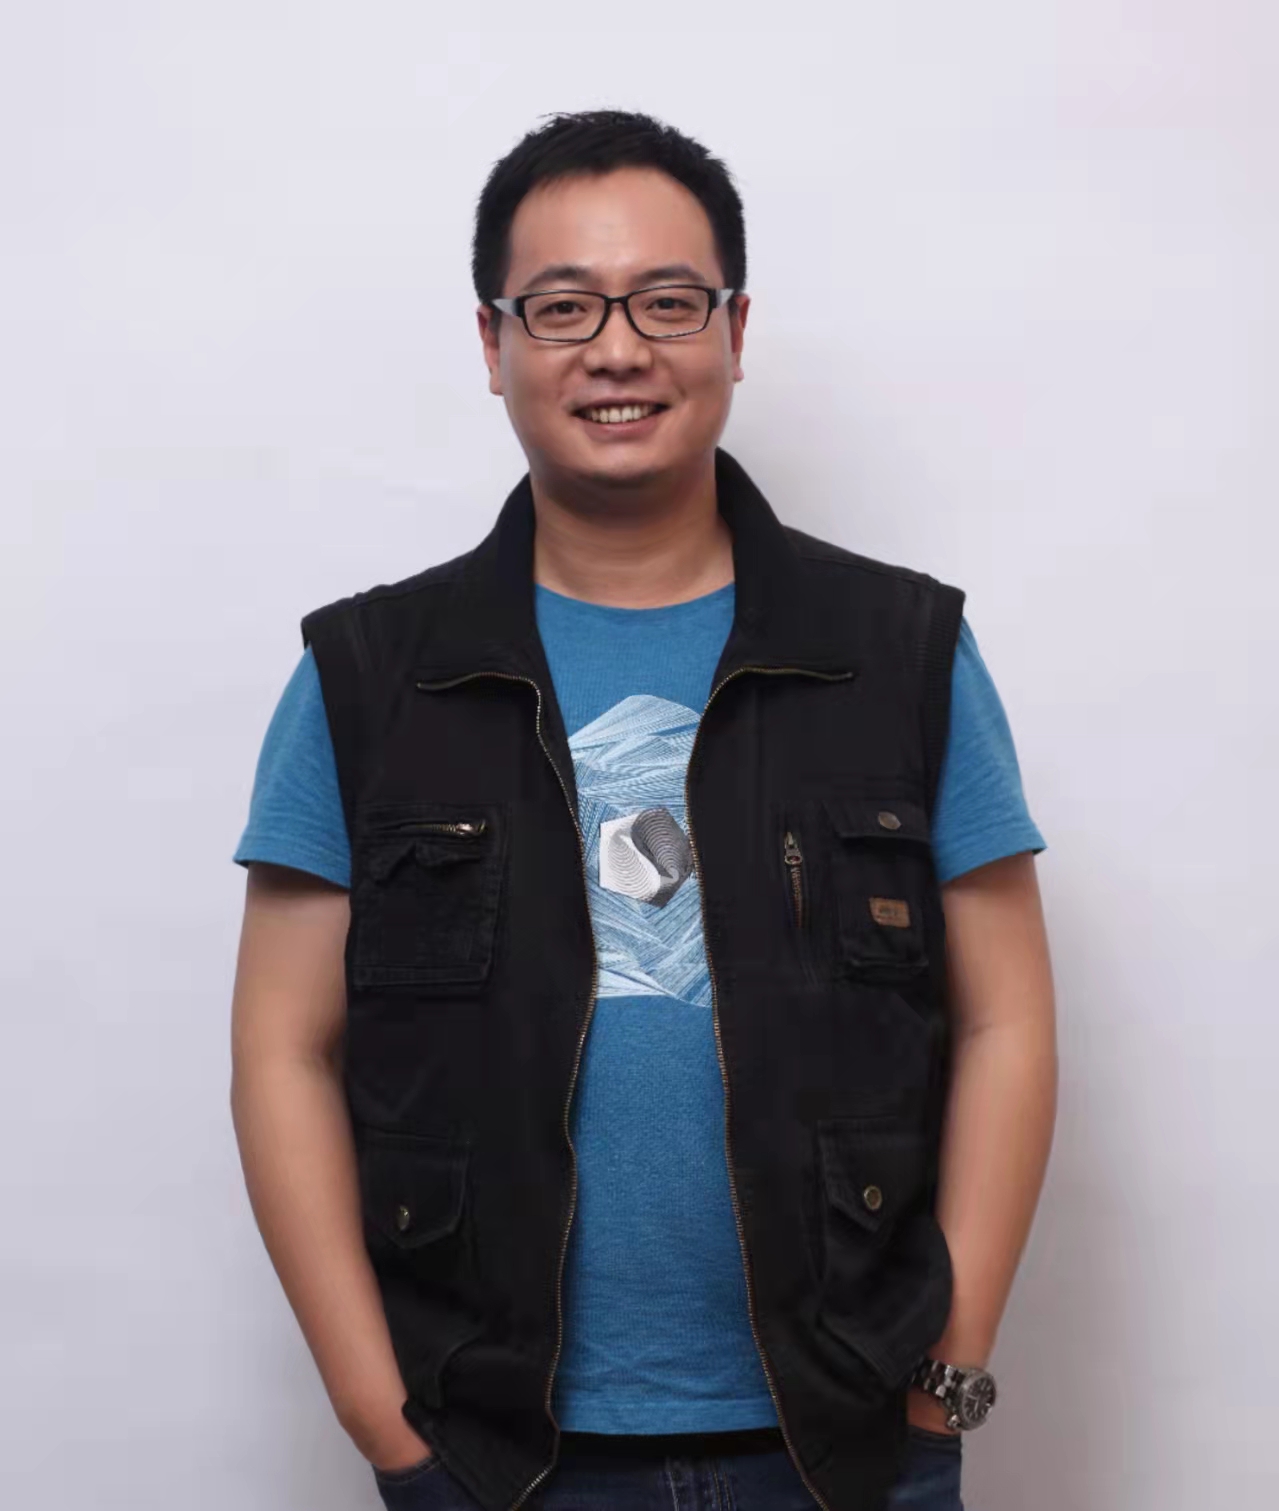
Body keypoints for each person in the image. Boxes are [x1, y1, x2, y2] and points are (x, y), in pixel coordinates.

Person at [230, 110, 1057, 1511]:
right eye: (563, 308)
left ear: (736, 330)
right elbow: (280, 1052)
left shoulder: (903, 654)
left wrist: (943, 1388)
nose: (618, 349)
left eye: (668, 301)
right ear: (492, 344)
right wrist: (386, 1422)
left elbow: (1006, 1021)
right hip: (501, 1457)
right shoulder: (368, 677)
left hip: (849, 1447)